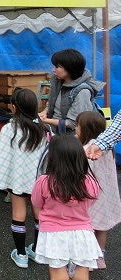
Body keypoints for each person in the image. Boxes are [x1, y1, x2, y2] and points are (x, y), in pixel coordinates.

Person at [0, 88, 49, 268]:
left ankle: (21, 254)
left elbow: (3, 156)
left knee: (18, 213)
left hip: (17, 179)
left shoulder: (10, 128)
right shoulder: (44, 129)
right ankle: (37, 250)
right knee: (39, 214)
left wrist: (3, 181)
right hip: (39, 180)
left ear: (14, 107)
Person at [31, 134, 102, 278]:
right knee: (81, 270)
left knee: (58, 271)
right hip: (83, 232)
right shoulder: (91, 182)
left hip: (53, 232)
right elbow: (92, 201)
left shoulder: (44, 181)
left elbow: (36, 203)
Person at [75, 111, 121, 270]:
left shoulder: (87, 149)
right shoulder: (107, 148)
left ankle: (88, 260)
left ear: (85, 130)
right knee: (101, 227)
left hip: (90, 197)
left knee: (87, 228)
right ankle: (100, 258)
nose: (76, 129)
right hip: (106, 195)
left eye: (77, 126)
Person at [38, 49, 104, 134]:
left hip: (71, 139)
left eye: (57, 67)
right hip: (55, 132)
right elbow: (52, 103)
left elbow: (73, 123)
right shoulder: (58, 82)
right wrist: (45, 112)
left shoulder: (82, 92)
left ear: (70, 68)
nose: (53, 70)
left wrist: (46, 120)